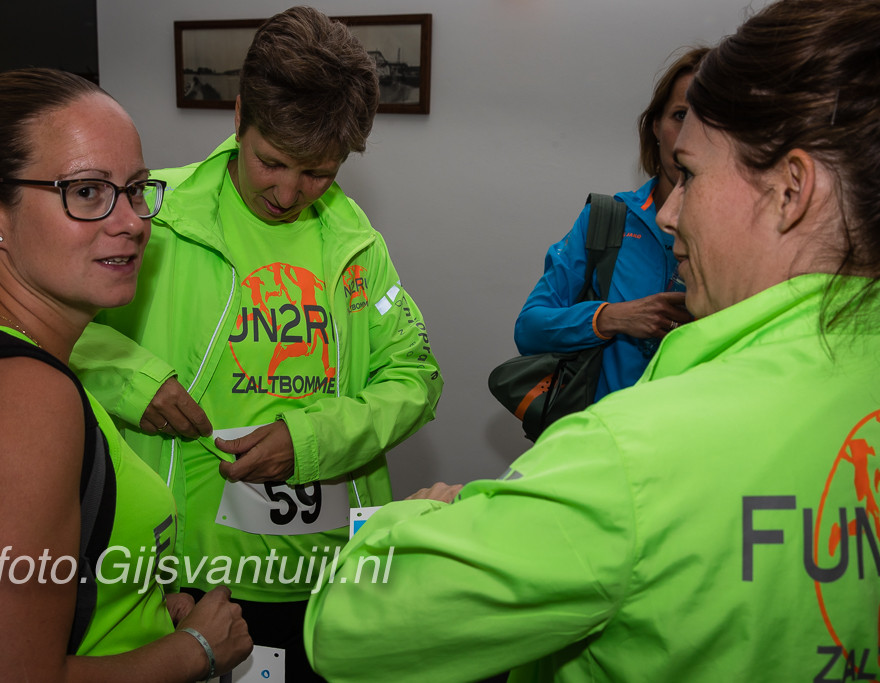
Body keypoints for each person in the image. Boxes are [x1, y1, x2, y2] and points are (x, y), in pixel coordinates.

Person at [305, 0, 880, 680]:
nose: (670, 211)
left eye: (693, 175)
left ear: (791, 190)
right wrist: (611, 318)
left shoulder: (632, 457)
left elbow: (346, 630)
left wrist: (406, 525)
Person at [70, 7, 442, 680]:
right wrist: (130, 377)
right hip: (185, 575)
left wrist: (309, 441)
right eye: (272, 161)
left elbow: (415, 377)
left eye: (319, 172)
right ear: (240, 115)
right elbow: (4, 306)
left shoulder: (356, 243)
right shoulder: (152, 213)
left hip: (331, 575)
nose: (288, 192)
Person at [0, 68, 251, 680]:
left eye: (136, 189)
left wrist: (133, 603)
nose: (132, 221)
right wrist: (197, 649)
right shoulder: (19, 400)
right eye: (86, 191)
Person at [514, 47, 706, 400]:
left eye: (708, 118)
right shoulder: (608, 219)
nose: (689, 135)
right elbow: (529, 329)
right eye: (680, 115)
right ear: (655, 127)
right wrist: (611, 317)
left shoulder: (746, 235)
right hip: (605, 427)